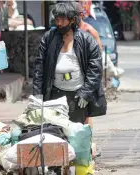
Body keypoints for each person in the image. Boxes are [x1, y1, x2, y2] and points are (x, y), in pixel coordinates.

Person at [33, 2, 105, 124]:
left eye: (62, 20)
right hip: (55, 93)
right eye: (57, 19)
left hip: (77, 95)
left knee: (76, 133)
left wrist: (86, 93)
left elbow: (95, 68)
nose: (59, 23)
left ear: (72, 20)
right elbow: (39, 67)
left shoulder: (86, 39)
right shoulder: (48, 38)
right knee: (56, 131)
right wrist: (38, 94)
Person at [72, 1, 106, 129]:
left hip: (86, 76)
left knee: (85, 111)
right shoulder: (68, 31)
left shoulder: (89, 31)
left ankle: (87, 139)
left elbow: (98, 54)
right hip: (72, 76)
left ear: (81, 15)